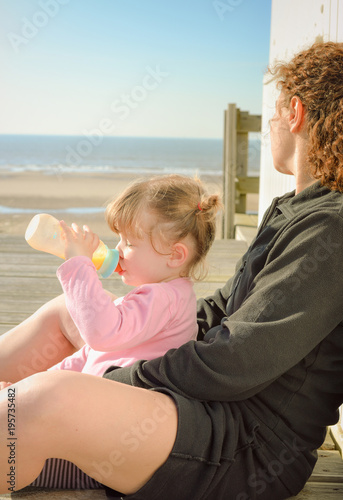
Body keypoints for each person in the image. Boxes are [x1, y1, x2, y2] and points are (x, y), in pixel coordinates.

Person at [0, 40, 343, 500]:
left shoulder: (331, 228)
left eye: (275, 112)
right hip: (214, 405)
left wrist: (123, 374)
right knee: (70, 312)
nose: (271, 124)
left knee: (52, 396)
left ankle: (26, 423)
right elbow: (221, 310)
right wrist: (140, 321)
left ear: (295, 112)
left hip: (248, 443)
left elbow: (239, 358)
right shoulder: (292, 209)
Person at [0, 174, 221, 381]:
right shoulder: (161, 295)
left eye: (130, 243)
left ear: (175, 255)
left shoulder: (164, 299)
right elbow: (92, 353)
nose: (119, 249)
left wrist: (79, 265)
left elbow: (100, 334)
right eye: (120, 239)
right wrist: (37, 381)